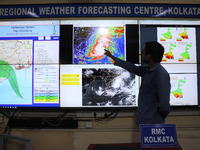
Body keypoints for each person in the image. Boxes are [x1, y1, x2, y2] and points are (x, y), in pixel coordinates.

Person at [104, 41, 171, 125]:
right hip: (145, 121)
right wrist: (112, 57)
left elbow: (164, 106)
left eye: (143, 52)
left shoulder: (160, 74)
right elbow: (132, 68)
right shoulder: (147, 71)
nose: (141, 54)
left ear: (149, 55)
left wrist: (157, 117)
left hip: (154, 124)